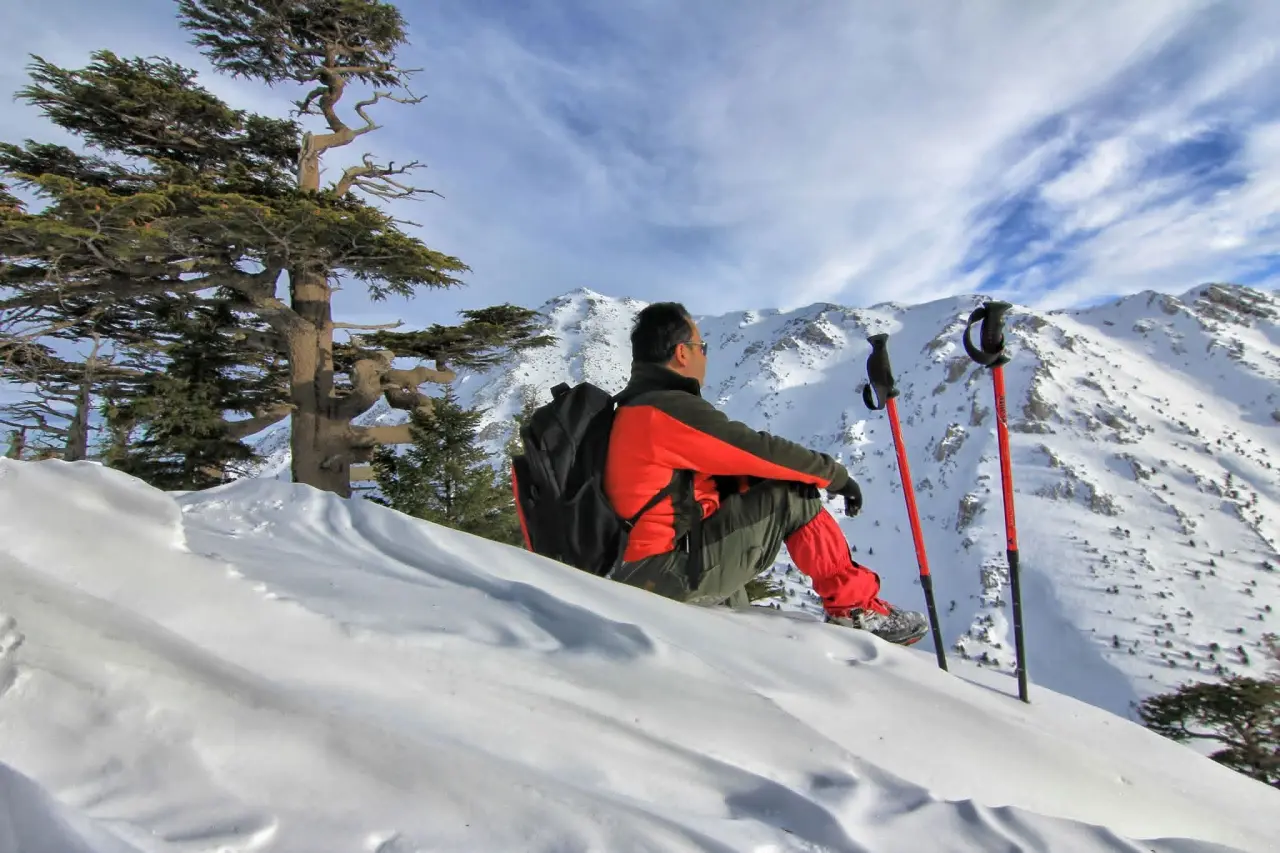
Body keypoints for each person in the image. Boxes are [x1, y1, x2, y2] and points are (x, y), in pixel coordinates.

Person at [603, 302, 929, 645]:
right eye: (703, 347)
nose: (705, 357)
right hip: (661, 575)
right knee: (792, 493)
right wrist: (835, 476)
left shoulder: (637, 407)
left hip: (646, 566)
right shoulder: (665, 409)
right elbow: (757, 450)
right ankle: (855, 609)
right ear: (682, 353)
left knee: (751, 488)